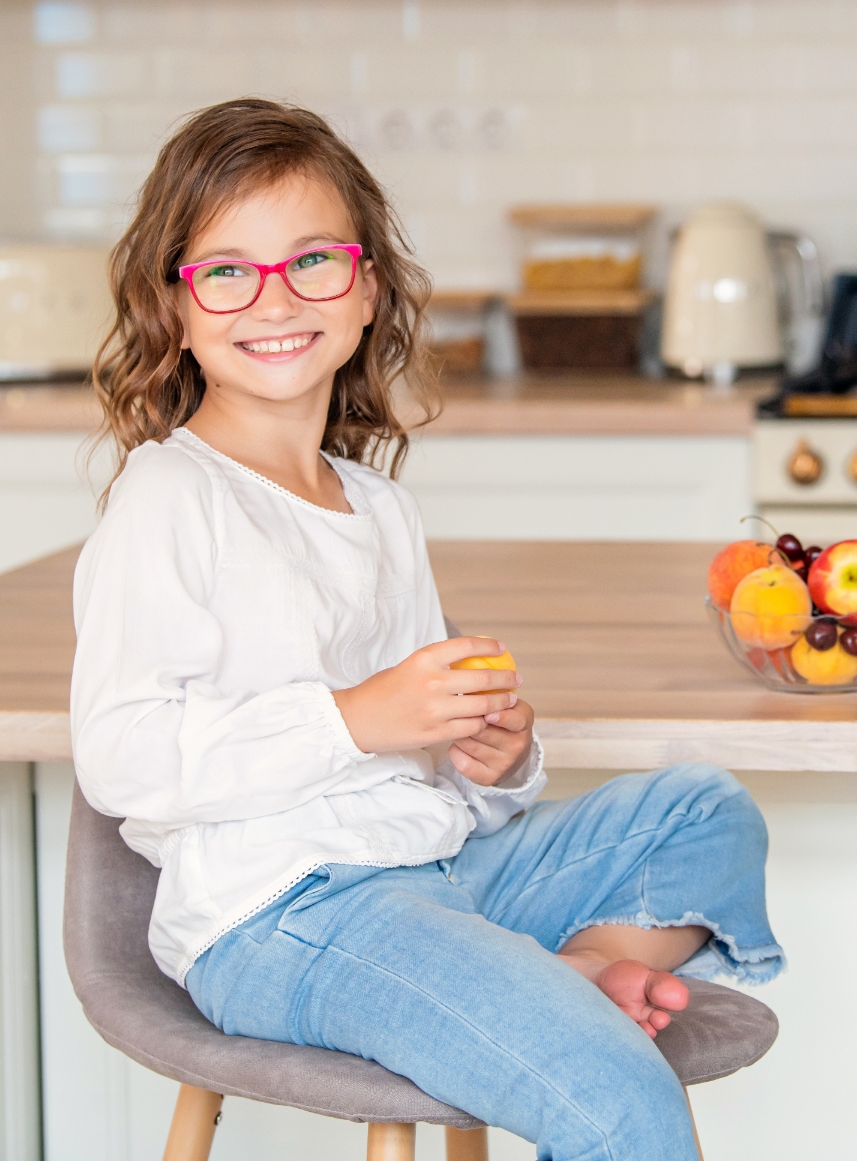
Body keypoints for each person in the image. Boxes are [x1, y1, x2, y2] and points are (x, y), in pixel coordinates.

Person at [71, 97, 784, 1161]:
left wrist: (489, 760)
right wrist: (354, 718)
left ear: (367, 290)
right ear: (174, 305)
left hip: (439, 875)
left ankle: (573, 974)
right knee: (612, 1092)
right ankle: (565, 1014)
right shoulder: (172, 496)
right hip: (287, 914)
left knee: (701, 810)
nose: (275, 296)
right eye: (226, 270)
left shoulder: (380, 508)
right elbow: (121, 756)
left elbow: (423, 788)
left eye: (314, 260)